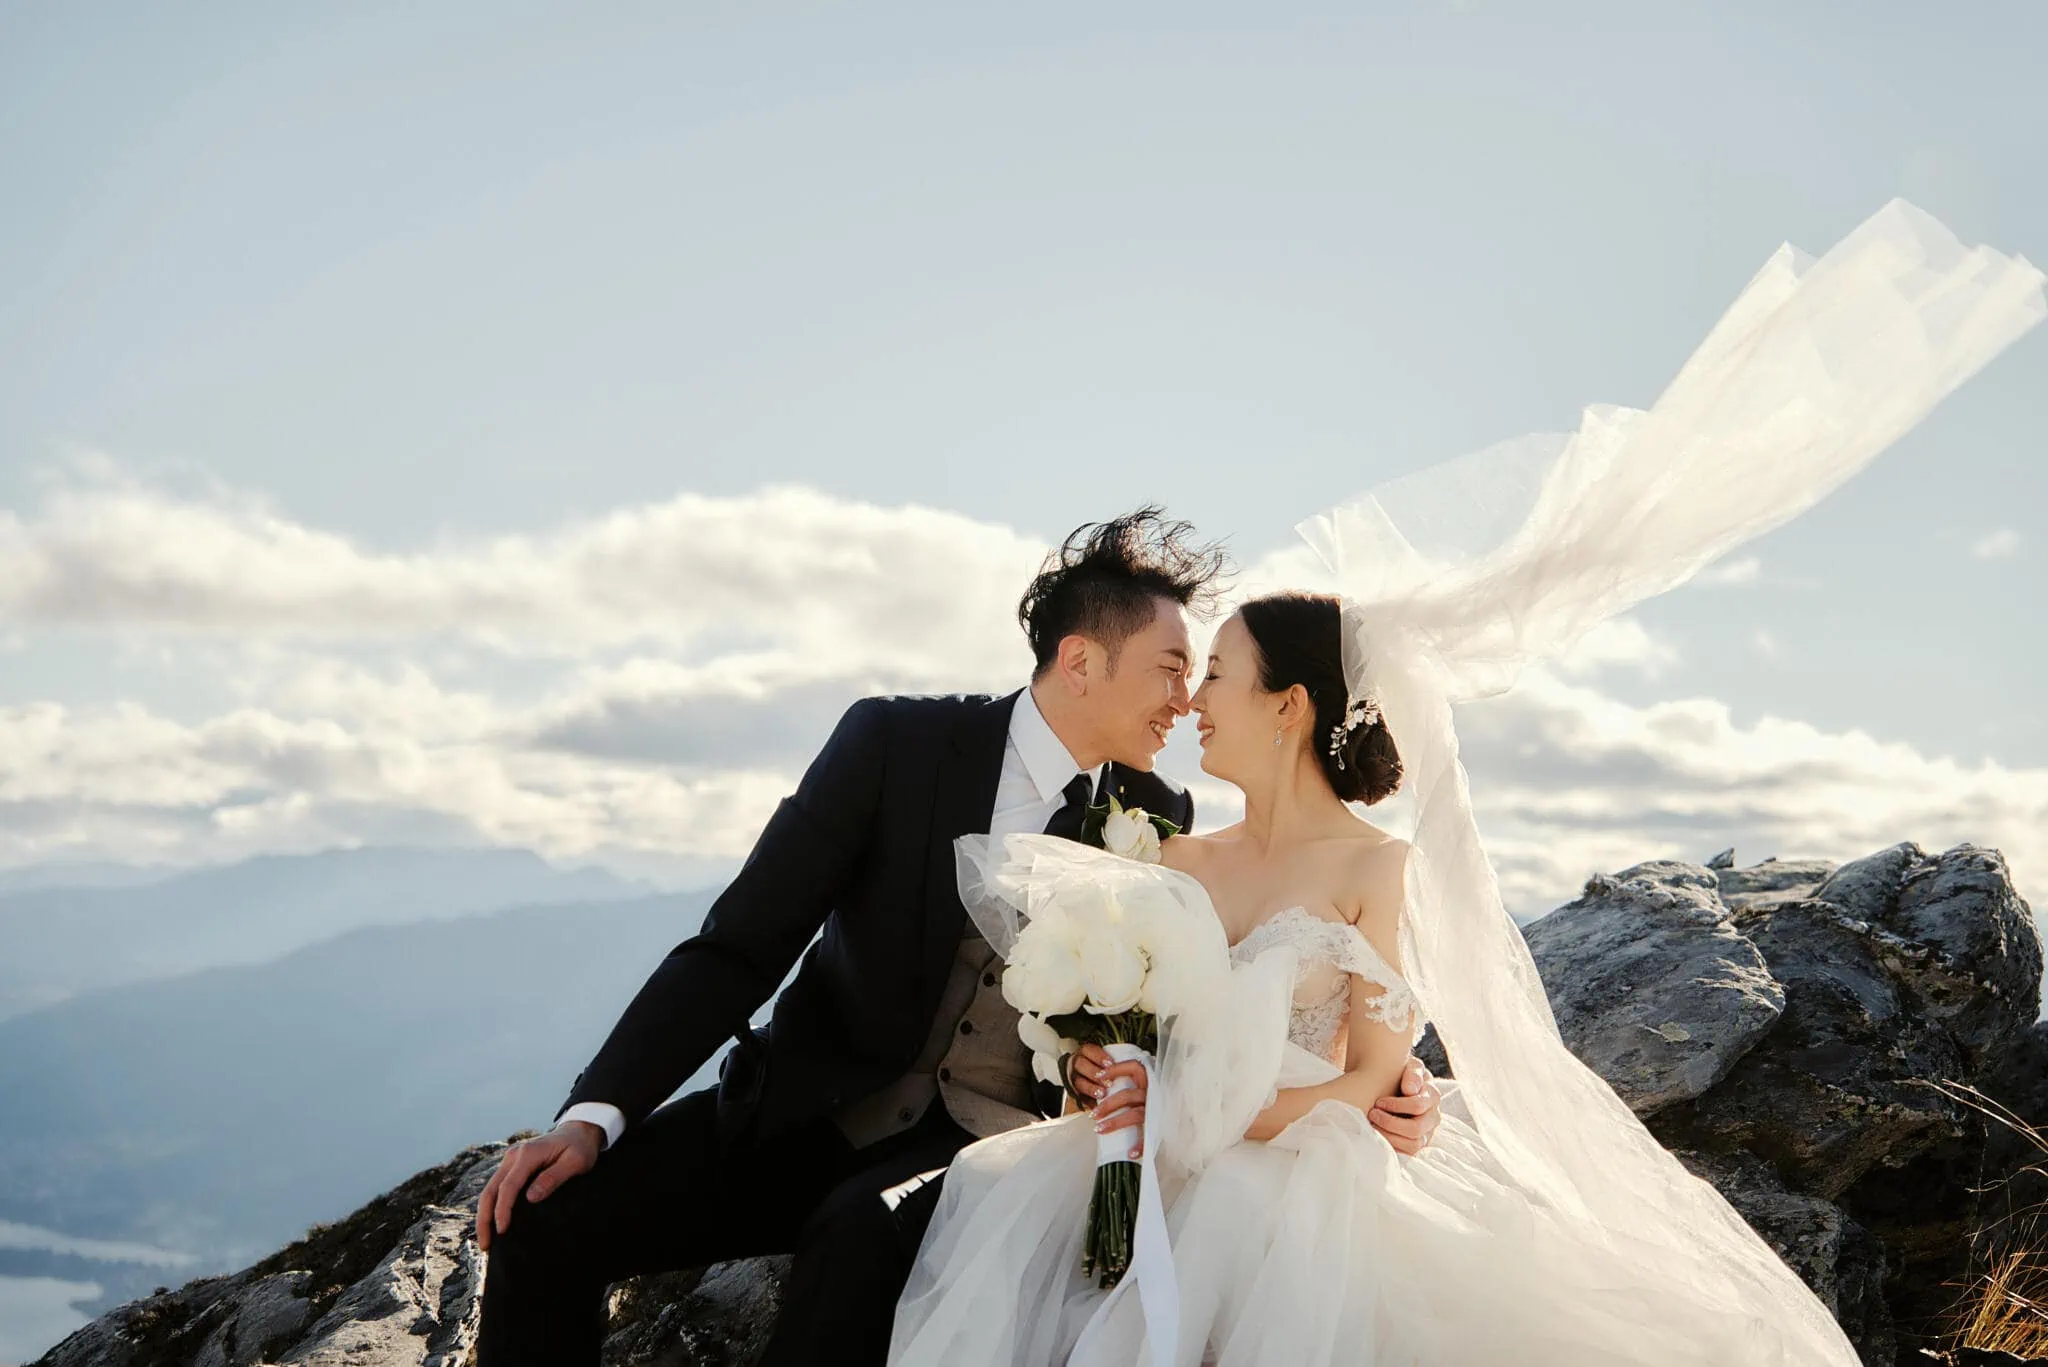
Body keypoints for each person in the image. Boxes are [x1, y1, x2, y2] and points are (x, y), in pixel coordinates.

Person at [887, 199, 2046, 1366]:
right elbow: (1132, 1041)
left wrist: (1224, 1121)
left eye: (1219, 678)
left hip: (1291, 1180)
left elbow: (1374, 1071)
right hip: (1145, 1169)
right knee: (1002, 1220)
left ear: (1289, 707)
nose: (1193, 703)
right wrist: (1107, 1071)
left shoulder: (1373, 866)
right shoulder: (1172, 850)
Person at [472, 509, 1446, 1367]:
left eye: (1199, 675)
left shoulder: (1159, 815)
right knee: (539, 1220)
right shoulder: (892, 746)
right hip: (798, 1108)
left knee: (853, 1241)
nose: (1185, 699)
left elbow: (1221, 994)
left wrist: (1382, 1079)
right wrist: (593, 1114)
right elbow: (739, 943)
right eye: (1169, 667)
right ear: (1080, 661)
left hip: (971, 1143)